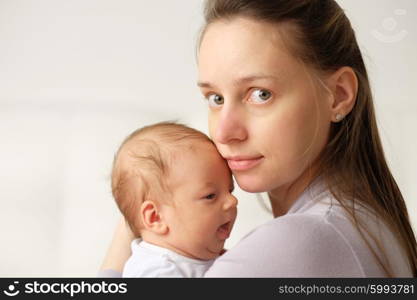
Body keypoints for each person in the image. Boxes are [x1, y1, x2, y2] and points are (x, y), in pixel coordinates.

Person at [100, 0, 417, 277]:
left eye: (260, 94)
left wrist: (140, 226)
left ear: (338, 95)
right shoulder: (363, 221)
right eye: (216, 98)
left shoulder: (298, 243)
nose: (224, 132)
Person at [110, 122, 237, 277]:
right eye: (210, 196)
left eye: (230, 190)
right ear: (156, 217)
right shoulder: (155, 270)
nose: (232, 201)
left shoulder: (206, 258)